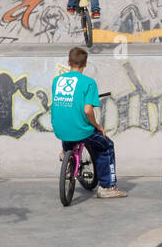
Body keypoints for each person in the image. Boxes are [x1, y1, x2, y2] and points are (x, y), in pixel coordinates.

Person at [50, 47, 126, 198]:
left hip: (58, 128)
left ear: (68, 62)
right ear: (85, 64)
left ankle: (66, 150)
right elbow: (87, 110)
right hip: (80, 130)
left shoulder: (57, 81)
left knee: (69, 127)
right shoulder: (89, 83)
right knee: (106, 145)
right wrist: (97, 126)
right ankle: (107, 187)